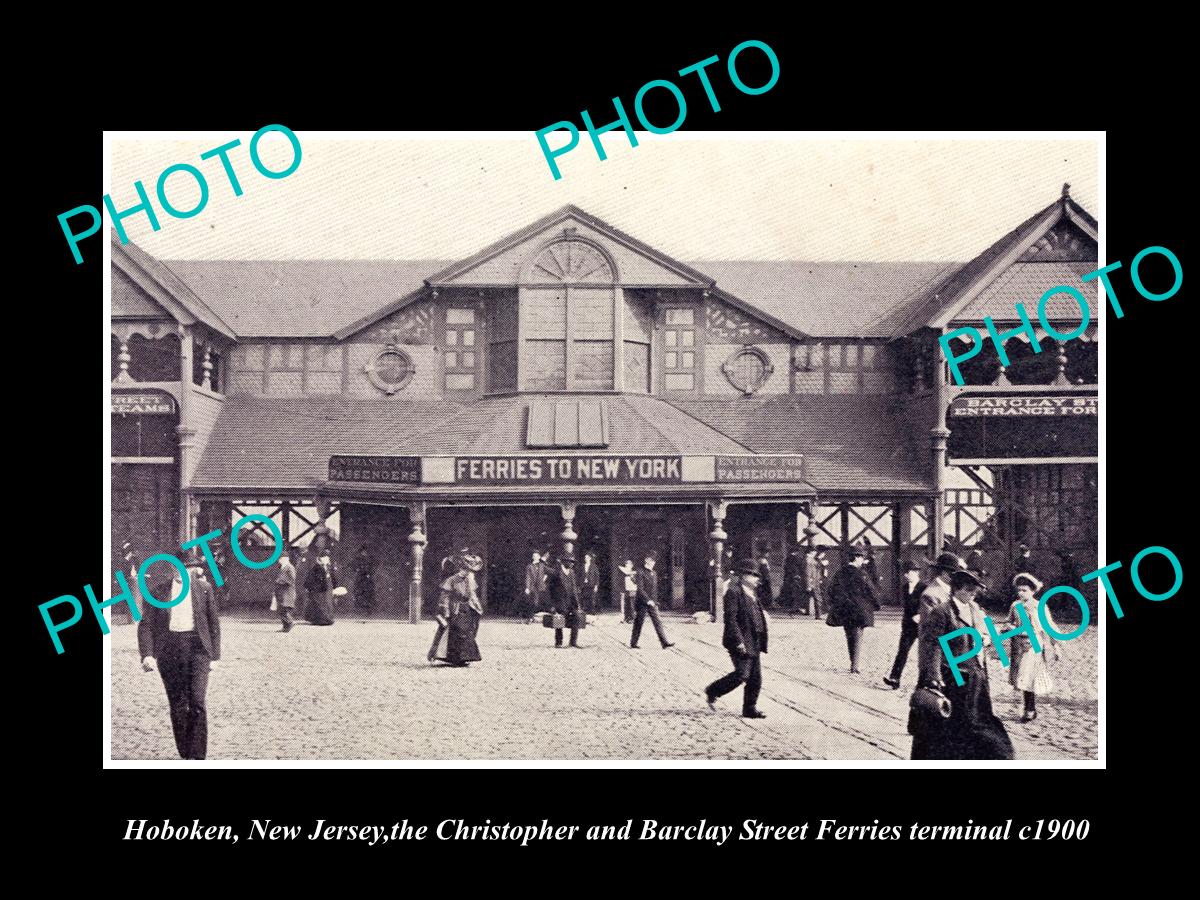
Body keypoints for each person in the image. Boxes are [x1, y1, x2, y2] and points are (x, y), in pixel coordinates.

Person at [910, 569, 1014, 760]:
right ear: (956, 589)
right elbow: (932, 644)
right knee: (954, 724)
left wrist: (985, 638)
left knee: (979, 721)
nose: (973, 593)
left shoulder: (974, 608)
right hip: (953, 676)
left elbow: (984, 633)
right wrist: (934, 676)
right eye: (968, 589)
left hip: (975, 676)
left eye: (975, 590)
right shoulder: (942, 612)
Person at [138, 551, 221, 760]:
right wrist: (147, 654)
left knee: (197, 701)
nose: (183, 572)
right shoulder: (158, 593)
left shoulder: (204, 589)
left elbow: (213, 624)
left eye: (187, 568)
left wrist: (215, 657)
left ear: (192, 569)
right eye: (178, 568)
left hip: (198, 649)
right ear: (172, 569)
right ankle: (185, 752)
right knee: (177, 703)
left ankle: (198, 756)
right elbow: (146, 625)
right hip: (170, 650)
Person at [705, 558, 769, 718]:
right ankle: (713, 690)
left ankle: (749, 709)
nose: (757, 579)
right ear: (744, 576)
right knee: (742, 674)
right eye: (753, 575)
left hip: (754, 640)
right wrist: (738, 640)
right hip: (739, 641)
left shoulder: (752, 594)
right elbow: (731, 619)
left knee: (756, 679)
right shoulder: (734, 593)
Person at [1006, 572, 1061, 723]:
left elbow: (1048, 627)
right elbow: (1009, 622)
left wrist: (1055, 646)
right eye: (1019, 590)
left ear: (1032, 591)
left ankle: (1029, 709)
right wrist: (1010, 627)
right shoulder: (1015, 606)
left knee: (1029, 677)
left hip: (1034, 646)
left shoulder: (1039, 607)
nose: (1021, 593)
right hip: (1019, 645)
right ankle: (1029, 708)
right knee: (1022, 678)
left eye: (1024, 590)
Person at [827, 547, 881, 673]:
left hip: (845, 609)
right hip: (859, 610)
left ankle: (853, 662)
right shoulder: (861, 574)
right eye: (861, 557)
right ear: (856, 558)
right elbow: (870, 590)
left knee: (849, 636)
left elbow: (831, 590)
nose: (862, 560)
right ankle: (855, 666)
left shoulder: (840, 572)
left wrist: (836, 603)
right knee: (858, 636)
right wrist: (877, 604)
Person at [428, 550, 484, 666]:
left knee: (467, 632)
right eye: (466, 570)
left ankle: (465, 657)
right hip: (454, 609)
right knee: (456, 632)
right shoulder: (451, 580)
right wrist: (446, 612)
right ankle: (454, 658)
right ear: (461, 569)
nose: (467, 572)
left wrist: (477, 607)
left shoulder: (469, 580)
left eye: (469, 570)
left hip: (466, 609)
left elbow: (473, 595)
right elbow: (444, 597)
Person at [883, 560, 924, 689]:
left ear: (916, 573)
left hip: (922, 625)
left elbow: (930, 606)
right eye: (905, 573)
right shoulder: (905, 587)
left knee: (925, 654)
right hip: (908, 625)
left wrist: (921, 615)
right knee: (902, 651)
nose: (906, 575)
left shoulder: (925, 587)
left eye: (909, 573)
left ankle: (924, 683)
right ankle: (895, 678)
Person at [631, 553, 674, 649]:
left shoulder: (654, 573)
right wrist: (648, 600)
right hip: (642, 602)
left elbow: (654, 590)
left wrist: (654, 601)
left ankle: (664, 642)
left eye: (654, 561)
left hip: (652, 602)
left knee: (657, 621)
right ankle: (633, 643)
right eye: (651, 560)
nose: (653, 563)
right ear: (646, 560)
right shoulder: (640, 572)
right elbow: (640, 589)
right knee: (639, 622)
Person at [546, 552, 584, 648]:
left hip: (570, 602)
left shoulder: (571, 573)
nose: (572, 564)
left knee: (576, 617)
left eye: (573, 562)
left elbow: (574, 589)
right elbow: (550, 589)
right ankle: (559, 642)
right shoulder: (556, 573)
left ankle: (573, 642)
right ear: (564, 562)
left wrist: (577, 604)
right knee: (559, 620)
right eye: (570, 562)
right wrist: (552, 605)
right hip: (559, 602)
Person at [303, 549, 339, 625]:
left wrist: (335, 586)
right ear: (321, 558)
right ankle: (322, 620)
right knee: (320, 604)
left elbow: (333, 577)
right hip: (319, 589)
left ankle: (329, 618)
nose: (327, 559)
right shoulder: (317, 567)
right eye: (325, 558)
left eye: (327, 558)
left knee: (328, 603)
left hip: (327, 587)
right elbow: (311, 578)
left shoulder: (328, 567)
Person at [274, 550, 298, 632]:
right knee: (281, 609)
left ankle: (290, 622)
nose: (279, 561)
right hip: (282, 592)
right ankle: (285, 627)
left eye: (280, 559)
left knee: (285, 609)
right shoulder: (283, 567)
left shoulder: (290, 567)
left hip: (288, 592)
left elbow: (292, 579)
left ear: (285, 559)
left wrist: (280, 581)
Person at [523, 551, 547, 623]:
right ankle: (530, 617)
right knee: (534, 603)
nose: (535, 557)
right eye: (533, 556)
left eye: (536, 556)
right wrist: (527, 587)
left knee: (545, 602)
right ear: (532, 557)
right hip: (533, 587)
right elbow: (528, 577)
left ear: (539, 557)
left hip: (541, 587)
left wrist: (545, 577)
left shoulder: (542, 565)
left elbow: (550, 571)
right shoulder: (529, 566)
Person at [780, 547, 805, 614]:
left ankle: (789, 607)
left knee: (789, 592)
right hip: (796, 577)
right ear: (796, 552)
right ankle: (795, 608)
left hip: (788, 578)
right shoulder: (797, 558)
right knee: (796, 593)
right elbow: (801, 567)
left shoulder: (787, 558)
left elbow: (785, 568)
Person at [353, 545, 377, 614]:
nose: (364, 553)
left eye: (365, 551)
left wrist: (370, 573)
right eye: (363, 551)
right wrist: (358, 571)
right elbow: (355, 567)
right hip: (360, 578)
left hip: (367, 579)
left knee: (368, 594)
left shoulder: (370, 559)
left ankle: (368, 609)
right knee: (360, 593)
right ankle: (361, 609)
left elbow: (372, 567)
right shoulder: (358, 559)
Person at [805, 548, 826, 618]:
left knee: (815, 597)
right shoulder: (810, 561)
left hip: (815, 581)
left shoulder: (813, 560)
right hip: (813, 582)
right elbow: (808, 573)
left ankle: (814, 613)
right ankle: (818, 614)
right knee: (817, 598)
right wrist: (809, 584)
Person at [617, 560, 638, 625]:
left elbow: (636, 582)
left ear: (631, 565)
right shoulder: (623, 572)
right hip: (625, 590)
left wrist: (632, 576)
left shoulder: (634, 573)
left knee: (632, 605)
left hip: (632, 590)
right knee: (625, 605)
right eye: (626, 563)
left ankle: (632, 618)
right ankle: (626, 618)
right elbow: (620, 581)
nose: (626, 565)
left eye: (628, 564)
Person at [580, 549, 600, 615]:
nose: (586, 559)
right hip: (584, 584)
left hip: (591, 584)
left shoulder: (594, 566)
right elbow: (580, 576)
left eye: (587, 558)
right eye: (585, 558)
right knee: (585, 598)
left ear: (590, 558)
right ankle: (586, 612)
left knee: (592, 599)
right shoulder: (582, 566)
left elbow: (597, 576)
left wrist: (596, 586)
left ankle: (592, 612)